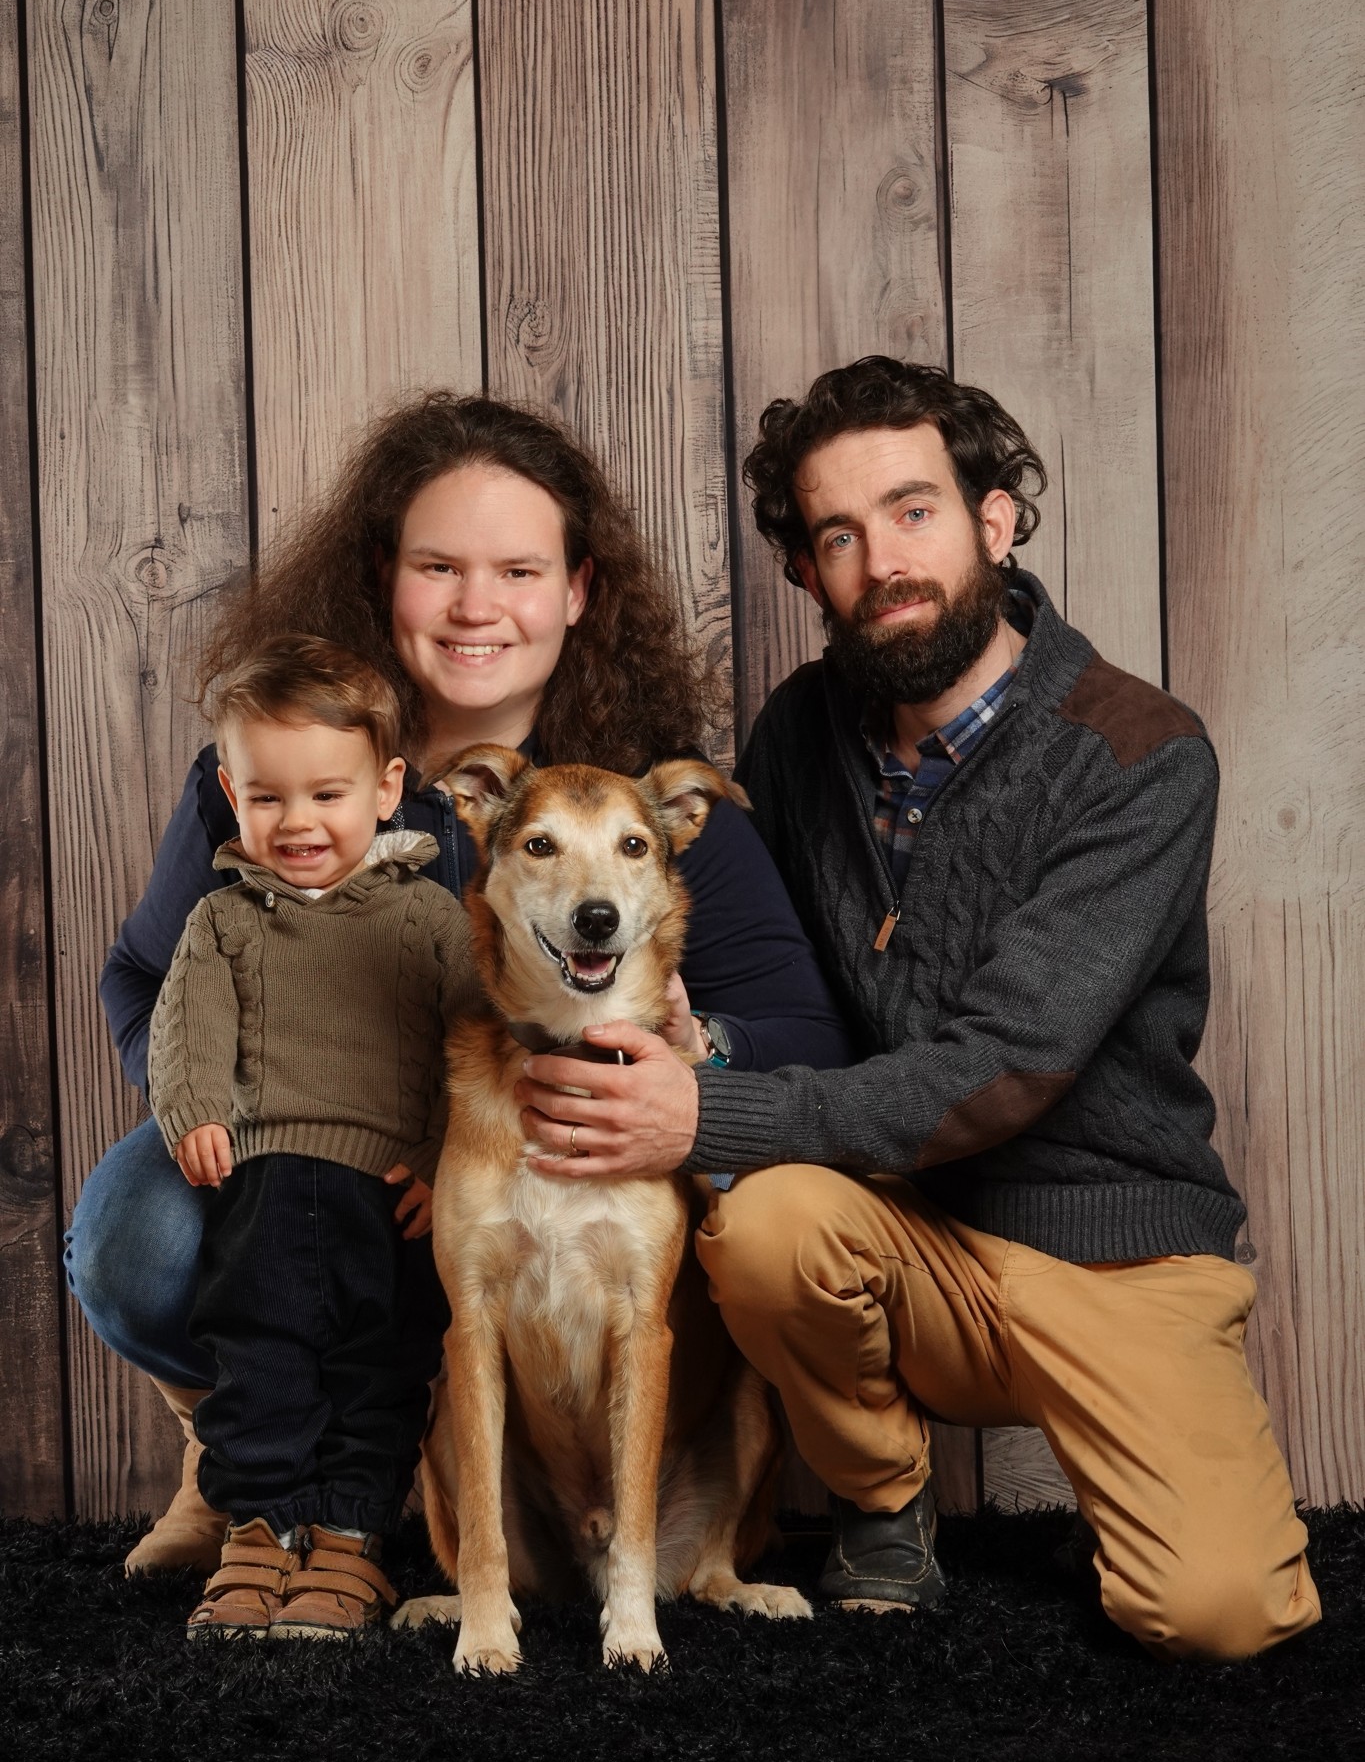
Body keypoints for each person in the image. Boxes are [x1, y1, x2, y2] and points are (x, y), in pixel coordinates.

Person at [514, 355, 1321, 1664]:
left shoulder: (1138, 751)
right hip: (897, 1235)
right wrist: (680, 1045)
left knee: (1219, 1613)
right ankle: (884, 1507)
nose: (879, 559)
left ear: (994, 520)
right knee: (765, 1223)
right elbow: (769, 982)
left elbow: (1008, 1062)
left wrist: (704, 1106)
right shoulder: (794, 738)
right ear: (807, 573)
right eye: (837, 534)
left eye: (913, 511)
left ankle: (1128, 1499)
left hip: (1110, 1247)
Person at [68, 393, 851, 1580]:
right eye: (439, 565)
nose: (476, 605)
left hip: (524, 1184)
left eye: (519, 569)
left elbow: (806, 1037)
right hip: (314, 1157)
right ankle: (242, 1472)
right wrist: (212, 1109)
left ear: (579, 590)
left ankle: (493, 1501)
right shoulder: (279, 768)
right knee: (136, 1231)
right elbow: (142, 974)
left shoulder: (634, 815)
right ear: (384, 576)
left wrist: (695, 1051)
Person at [147, 636, 480, 1638]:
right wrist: (194, 1106)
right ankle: (255, 1530)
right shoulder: (226, 920)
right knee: (261, 1357)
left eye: (326, 795)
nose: (297, 823)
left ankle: (348, 1540)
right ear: (228, 789)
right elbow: (183, 1023)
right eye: (267, 797)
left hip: (389, 1188)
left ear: (386, 790)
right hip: (265, 1182)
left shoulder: (429, 917)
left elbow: (466, 1049)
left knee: (380, 1365)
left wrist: (441, 1158)